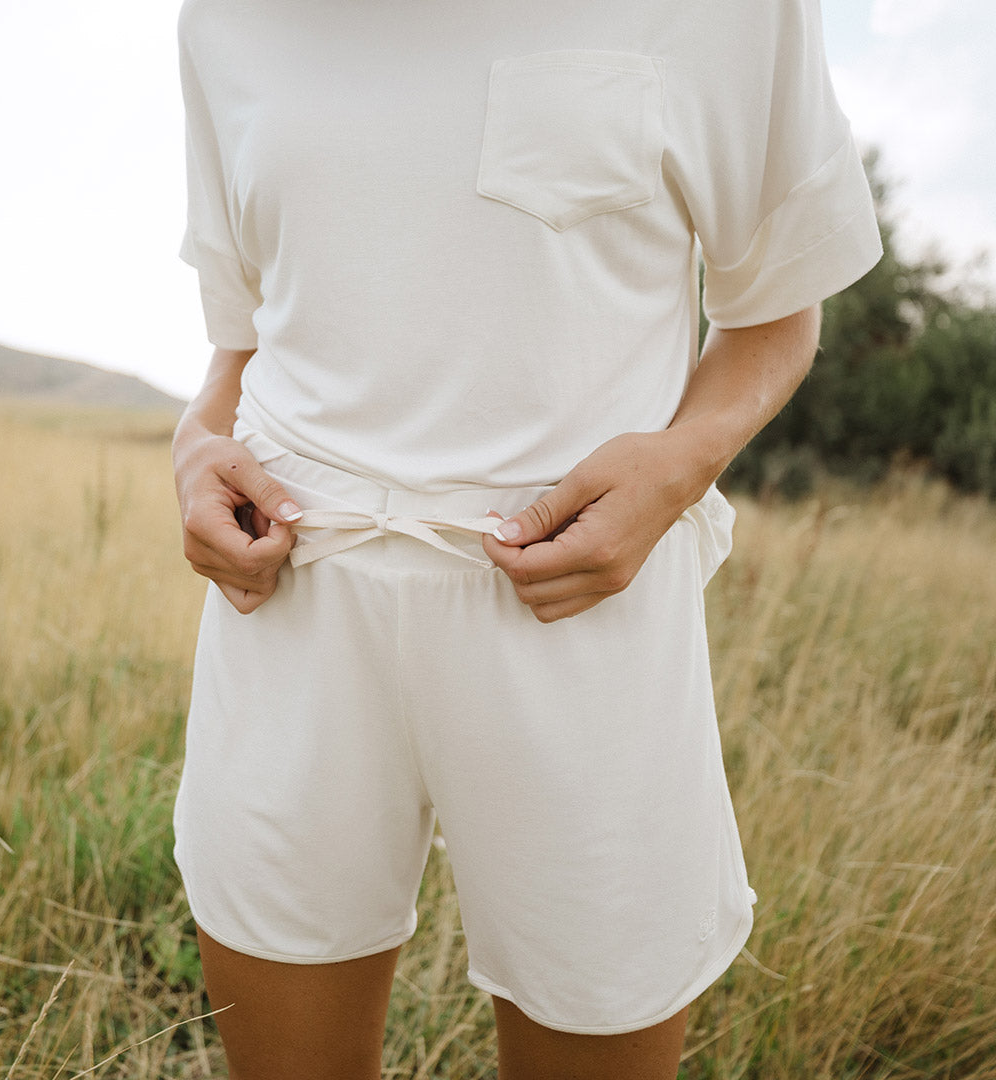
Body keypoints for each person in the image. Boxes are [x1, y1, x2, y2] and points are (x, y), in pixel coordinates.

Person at [170, 1, 882, 1076]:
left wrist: (683, 459)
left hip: (576, 606)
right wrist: (191, 452)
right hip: (290, 605)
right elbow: (243, 337)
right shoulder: (224, 18)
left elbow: (777, 306)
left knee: (599, 1010)